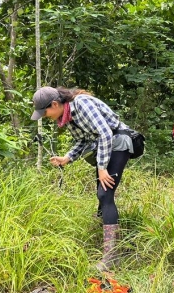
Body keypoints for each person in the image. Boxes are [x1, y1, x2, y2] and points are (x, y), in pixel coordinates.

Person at [30, 86, 134, 272]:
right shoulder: (67, 116)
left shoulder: (82, 104)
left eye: (44, 112)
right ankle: (105, 243)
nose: (45, 116)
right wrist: (67, 157)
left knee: (104, 194)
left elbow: (105, 133)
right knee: (101, 195)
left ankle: (111, 258)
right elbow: (84, 140)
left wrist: (102, 168)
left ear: (55, 104)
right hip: (104, 146)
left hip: (118, 142)